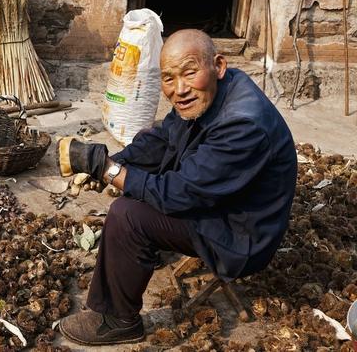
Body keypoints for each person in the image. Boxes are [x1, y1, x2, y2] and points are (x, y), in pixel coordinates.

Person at [56, 29, 297, 346]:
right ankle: (143, 252)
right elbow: (162, 140)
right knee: (141, 168)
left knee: (127, 214)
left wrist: (108, 169)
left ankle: (117, 321)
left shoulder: (244, 123)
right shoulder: (211, 91)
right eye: (169, 78)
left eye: (189, 72)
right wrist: (112, 163)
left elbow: (178, 193)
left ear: (218, 66)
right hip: (219, 202)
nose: (179, 89)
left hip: (240, 235)